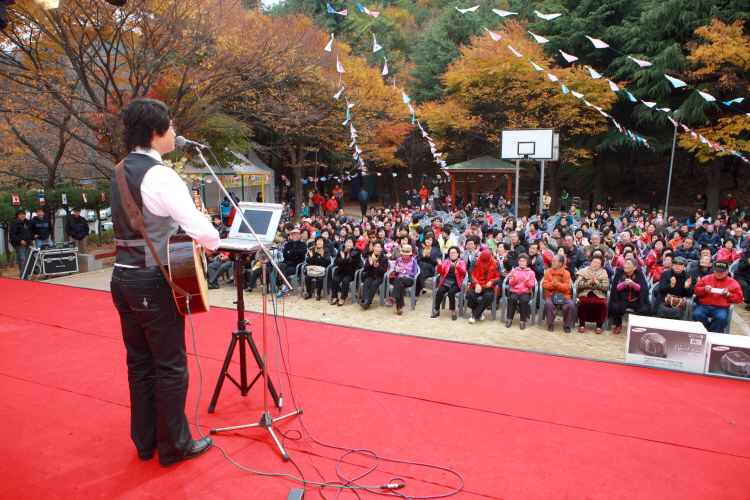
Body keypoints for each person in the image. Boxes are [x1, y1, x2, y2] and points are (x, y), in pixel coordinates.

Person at [109, 97, 218, 467]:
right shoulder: (160, 174)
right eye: (170, 126)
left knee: (139, 363)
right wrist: (213, 238)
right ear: (156, 133)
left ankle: (146, 442)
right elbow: (199, 229)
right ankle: (174, 445)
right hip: (152, 282)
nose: (174, 132)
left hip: (122, 278)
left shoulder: (120, 169)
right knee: (171, 365)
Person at [693, 260, 744, 332]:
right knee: (697, 315)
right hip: (704, 305)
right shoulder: (706, 278)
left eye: (721, 272)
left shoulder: (733, 283)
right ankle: (708, 331)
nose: (719, 273)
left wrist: (728, 294)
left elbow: (739, 299)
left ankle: (710, 334)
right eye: (717, 271)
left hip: (721, 307)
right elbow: (696, 290)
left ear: (727, 271)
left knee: (721, 318)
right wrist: (704, 289)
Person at [608, 258, 651, 334]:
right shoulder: (619, 273)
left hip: (636, 299)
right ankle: (618, 325)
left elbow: (642, 289)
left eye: (628, 264)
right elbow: (616, 288)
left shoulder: (639, 275)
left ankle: (636, 326)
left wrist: (633, 284)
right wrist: (623, 284)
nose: (625, 266)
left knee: (645, 309)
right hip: (622, 299)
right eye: (625, 264)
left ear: (634, 267)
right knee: (615, 307)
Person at [466, 250, 502, 324]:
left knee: (489, 296)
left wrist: (492, 282)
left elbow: (500, 277)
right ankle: (480, 313)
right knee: (469, 295)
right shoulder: (475, 261)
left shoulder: (496, 263)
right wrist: (476, 284)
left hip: (488, 286)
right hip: (477, 284)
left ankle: (475, 315)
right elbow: (470, 274)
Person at [575, 255, 609, 333]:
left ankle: (599, 325)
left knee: (602, 303)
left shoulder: (603, 273)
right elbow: (579, 285)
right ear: (590, 263)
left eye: (598, 263)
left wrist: (596, 283)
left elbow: (605, 286)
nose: (595, 264)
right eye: (594, 262)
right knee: (583, 302)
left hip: (599, 294)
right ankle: (582, 324)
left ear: (601, 265)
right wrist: (589, 283)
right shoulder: (584, 271)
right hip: (585, 293)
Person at [431, 246, 466, 320]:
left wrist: (458, 266)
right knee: (440, 291)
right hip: (446, 281)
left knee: (451, 292)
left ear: (458, 254)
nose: (452, 254)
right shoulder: (446, 261)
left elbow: (463, 272)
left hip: (456, 282)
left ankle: (453, 311)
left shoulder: (462, 262)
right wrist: (440, 265)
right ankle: (437, 310)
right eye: (451, 253)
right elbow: (440, 272)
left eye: (454, 253)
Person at [542, 254, 574, 332]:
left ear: (560, 263)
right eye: (552, 260)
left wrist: (558, 285)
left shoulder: (566, 273)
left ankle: (567, 325)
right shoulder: (548, 272)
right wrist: (553, 284)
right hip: (551, 293)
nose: (552, 262)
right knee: (549, 303)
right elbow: (544, 285)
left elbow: (568, 287)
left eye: (554, 261)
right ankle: (550, 323)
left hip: (564, 294)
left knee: (570, 305)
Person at [505, 253, 536, 329]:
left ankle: (522, 321)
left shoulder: (531, 272)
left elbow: (532, 286)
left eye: (523, 261)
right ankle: (509, 319)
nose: (522, 262)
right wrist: (514, 278)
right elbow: (511, 283)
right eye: (520, 261)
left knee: (524, 300)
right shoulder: (514, 271)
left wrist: (527, 280)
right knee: (512, 299)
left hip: (526, 291)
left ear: (527, 262)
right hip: (515, 290)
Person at [385, 244, 418, 315]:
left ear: (410, 254)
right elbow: (396, 274)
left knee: (398, 280)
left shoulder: (414, 261)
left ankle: (392, 298)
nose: (405, 256)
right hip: (399, 279)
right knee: (400, 284)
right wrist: (396, 271)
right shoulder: (398, 260)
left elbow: (414, 274)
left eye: (407, 254)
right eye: (403, 254)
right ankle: (399, 307)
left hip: (409, 279)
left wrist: (405, 272)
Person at [330, 236, 361, 306]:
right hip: (341, 271)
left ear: (353, 244)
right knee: (334, 280)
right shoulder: (341, 250)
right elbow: (336, 262)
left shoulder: (357, 251)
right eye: (347, 242)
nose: (348, 244)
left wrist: (349, 259)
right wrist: (342, 259)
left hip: (351, 272)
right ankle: (335, 297)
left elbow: (357, 264)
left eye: (350, 242)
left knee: (345, 281)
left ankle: (343, 298)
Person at [277, 228, 306, 296]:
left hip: (296, 265)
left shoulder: (303, 244)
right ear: (290, 236)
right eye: (293, 235)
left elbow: (302, 252)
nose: (294, 236)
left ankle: (283, 287)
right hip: (287, 263)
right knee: (281, 266)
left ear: (299, 235)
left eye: (296, 235)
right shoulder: (288, 244)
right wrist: (295, 255)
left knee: (281, 271)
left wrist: (291, 252)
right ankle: (285, 285)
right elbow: (285, 255)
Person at [360, 239, 389, 308]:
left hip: (379, 277)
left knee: (374, 284)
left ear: (381, 249)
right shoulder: (370, 256)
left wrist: (378, 266)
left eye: (378, 247)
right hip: (371, 275)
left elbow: (384, 271)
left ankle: (368, 302)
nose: (376, 248)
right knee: (367, 282)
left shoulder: (384, 258)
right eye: (375, 247)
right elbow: (365, 268)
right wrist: (370, 264)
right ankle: (366, 300)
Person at [304, 236, 332, 300]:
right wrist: (311, 257)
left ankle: (318, 293)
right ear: (315, 242)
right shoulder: (312, 249)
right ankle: (309, 293)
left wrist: (322, 257)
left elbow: (328, 262)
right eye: (318, 241)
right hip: (313, 269)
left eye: (321, 241)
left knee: (320, 278)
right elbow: (308, 262)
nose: (319, 243)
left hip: (321, 270)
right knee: (307, 277)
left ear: (324, 243)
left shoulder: (326, 250)